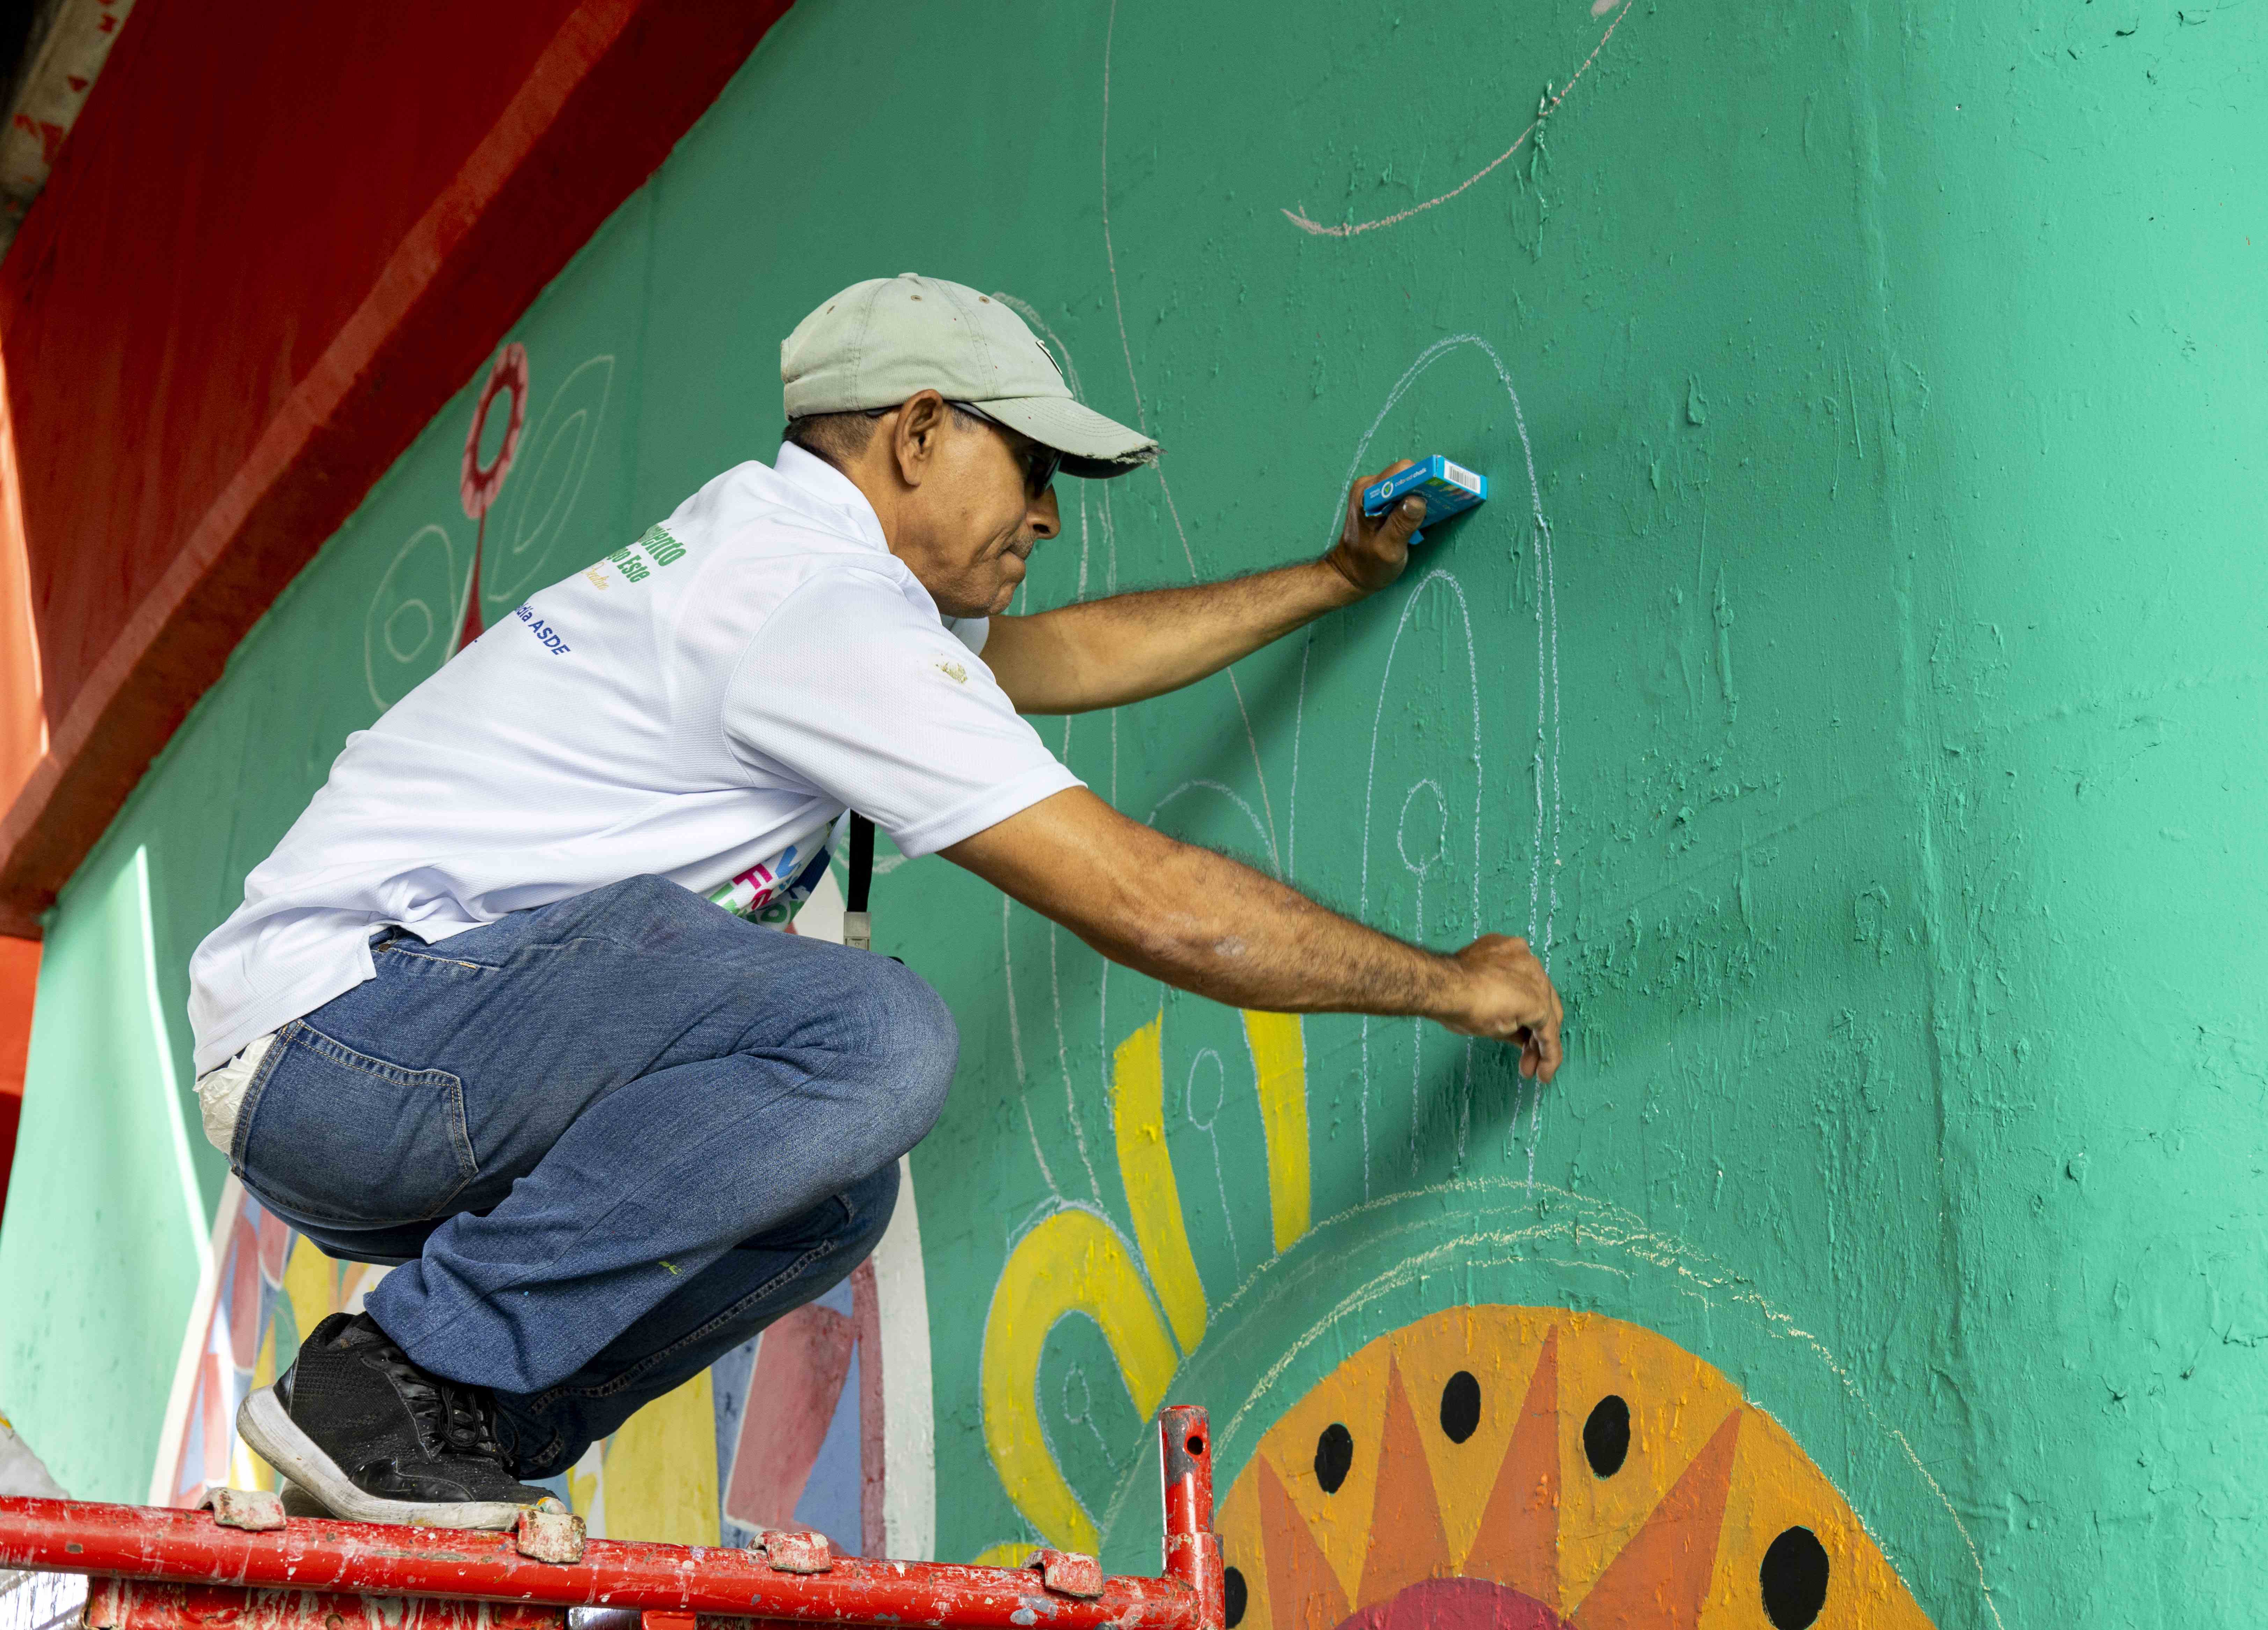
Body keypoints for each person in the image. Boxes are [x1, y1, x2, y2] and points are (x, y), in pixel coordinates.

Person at [187, 272, 1564, 1530]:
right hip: (360, 1039)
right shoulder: (816, 608)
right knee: (876, 1036)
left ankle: (447, 1432)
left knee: (834, 1191)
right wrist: (1453, 983)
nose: (1047, 515)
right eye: (1030, 467)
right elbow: (1153, 906)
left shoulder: (785, 567)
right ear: (917, 433)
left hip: (368, 1063)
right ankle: (399, 1378)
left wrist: (1328, 580)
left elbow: (1047, 657)